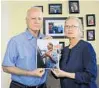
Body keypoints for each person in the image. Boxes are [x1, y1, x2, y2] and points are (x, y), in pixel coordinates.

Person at [2, 7, 50, 88]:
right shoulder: (15, 41)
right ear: (26, 20)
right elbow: (6, 67)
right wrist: (30, 73)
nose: (36, 21)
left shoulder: (47, 40)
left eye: (39, 18)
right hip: (19, 86)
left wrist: (53, 52)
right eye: (33, 18)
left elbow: (51, 66)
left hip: (42, 86)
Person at [52, 16, 97, 88]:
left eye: (73, 26)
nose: (69, 29)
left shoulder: (86, 47)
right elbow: (58, 73)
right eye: (67, 26)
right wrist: (52, 55)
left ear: (80, 29)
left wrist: (66, 74)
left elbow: (90, 76)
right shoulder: (64, 50)